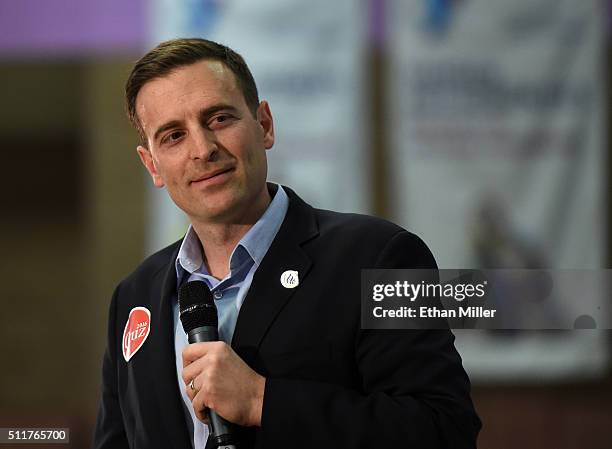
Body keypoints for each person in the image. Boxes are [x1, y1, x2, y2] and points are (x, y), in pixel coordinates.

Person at [93, 38, 481, 449]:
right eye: (173, 136)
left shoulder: (382, 256)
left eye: (220, 118)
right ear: (151, 164)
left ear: (264, 125)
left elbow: (444, 429)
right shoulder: (134, 297)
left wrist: (263, 400)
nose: (203, 149)